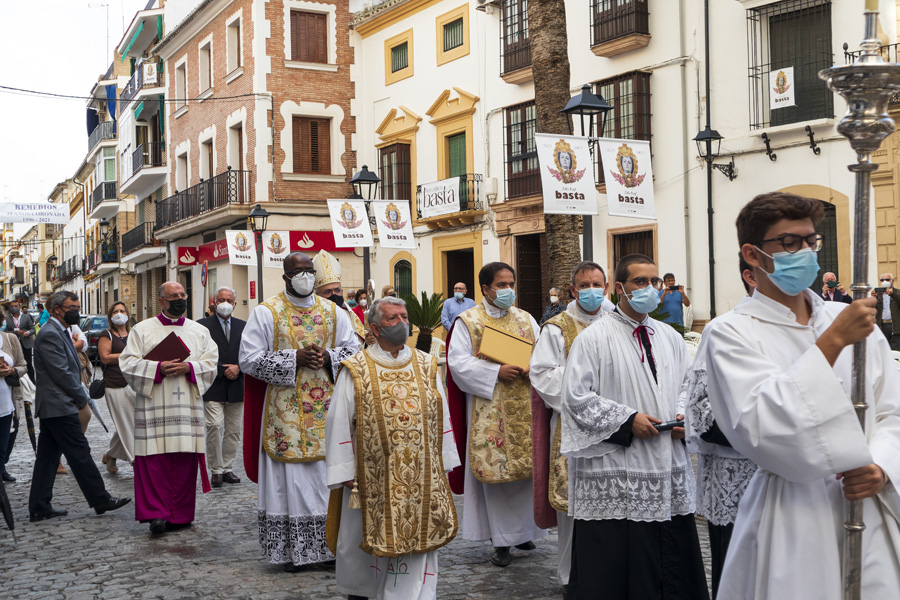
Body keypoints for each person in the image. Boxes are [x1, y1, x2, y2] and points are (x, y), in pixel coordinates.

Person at [703, 192, 900, 599]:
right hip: (794, 511)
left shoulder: (845, 319)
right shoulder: (730, 333)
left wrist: (880, 466)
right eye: (790, 243)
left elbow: (891, 409)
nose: (806, 252)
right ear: (753, 255)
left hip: (868, 499)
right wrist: (831, 344)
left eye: (811, 241)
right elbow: (762, 425)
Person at [560, 254, 708, 600]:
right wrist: (628, 420)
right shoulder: (594, 338)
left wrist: (685, 414)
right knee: (617, 568)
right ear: (621, 289)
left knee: (670, 561)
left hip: (667, 460)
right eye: (640, 282)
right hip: (618, 467)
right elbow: (575, 398)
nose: (650, 289)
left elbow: (689, 384)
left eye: (654, 282)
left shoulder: (670, 336)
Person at [325, 297, 459, 599]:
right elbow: (339, 420)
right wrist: (344, 468)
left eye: (403, 317)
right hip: (371, 477)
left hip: (422, 476)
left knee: (418, 542)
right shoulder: (356, 369)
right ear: (374, 327)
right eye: (392, 319)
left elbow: (442, 414)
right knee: (363, 546)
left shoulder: (425, 364)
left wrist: (444, 463)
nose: (402, 323)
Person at [240, 252, 360, 572]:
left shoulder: (334, 312)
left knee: (328, 481)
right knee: (290, 484)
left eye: (309, 271)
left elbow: (354, 351)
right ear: (285, 277)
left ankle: (332, 548)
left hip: (328, 411)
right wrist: (294, 358)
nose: (305, 276)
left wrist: (328, 357)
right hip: (286, 416)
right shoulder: (267, 313)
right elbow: (248, 359)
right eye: (298, 272)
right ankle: (295, 553)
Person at [446, 261, 545, 568]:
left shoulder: (526, 319)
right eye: (501, 285)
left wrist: (534, 367)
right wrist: (495, 371)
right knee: (496, 476)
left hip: (525, 407)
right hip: (489, 410)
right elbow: (457, 363)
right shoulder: (468, 321)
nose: (508, 290)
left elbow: (544, 353)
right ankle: (500, 541)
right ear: (485, 289)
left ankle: (523, 533)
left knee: (524, 477)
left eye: (511, 283)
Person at [530, 261, 608, 596]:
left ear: (606, 287)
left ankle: (607, 572)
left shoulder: (616, 322)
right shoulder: (557, 327)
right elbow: (543, 373)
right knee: (572, 506)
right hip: (571, 423)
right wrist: (584, 393)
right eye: (585, 285)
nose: (592, 290)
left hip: (611, 423)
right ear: (573, 291)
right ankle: (569, 576)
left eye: (598, 284)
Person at [683, 258, 758, 599]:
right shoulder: (724, 330)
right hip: (735, 474)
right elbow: (701, 412)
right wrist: (769, 438)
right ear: (751, 276)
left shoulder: (817, 326)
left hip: (798, 486)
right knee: (737, 574)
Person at [119, 282, 219, 535]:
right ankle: (156, 515)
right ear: (161, 301)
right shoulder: (142, 330)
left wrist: (190, 368)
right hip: (154, 406)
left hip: (187, 406)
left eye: (183, 295)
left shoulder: (198, 330)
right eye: (173, 296)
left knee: (184, 461)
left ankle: (180, 514)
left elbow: (211, 362)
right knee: (154, 461)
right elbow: (128, 364)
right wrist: (157, 368)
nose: (180, 299)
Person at [28, 290, 131, 522]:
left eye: (77, 307)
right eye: (71, 308)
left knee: (48, 457)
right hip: (59, 403)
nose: (76, 311)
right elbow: (61, 373)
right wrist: (82, 396)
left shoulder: (61, 331)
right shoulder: (50, 334)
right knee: (80, 452)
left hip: (57, 404)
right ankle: (100, 499)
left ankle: (39, 505)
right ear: (56, 309)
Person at [197, 287, 245, 488]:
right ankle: (215, 470)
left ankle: (227, 468)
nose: (225, 303)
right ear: (214, 302)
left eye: (229, 300)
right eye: (221, 299)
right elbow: (197, 355)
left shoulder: (244, 326)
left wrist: (239, 367)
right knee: (214, 426)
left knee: (233, 430)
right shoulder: (201, 326)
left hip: (236, 384)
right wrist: (219, 369)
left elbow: (251, 352)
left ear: (234, 304)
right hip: (213, 384)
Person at [97, 302, 136, 474]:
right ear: (110, 316)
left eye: (122, 311)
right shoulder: (106, 335)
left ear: (128, 314)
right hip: (114, 384)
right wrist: (128, 355)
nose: (119, 314)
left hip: (134, 383)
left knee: (133, 422)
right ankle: (137, 461)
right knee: (126, 423)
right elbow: (105, 358)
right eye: (115, 311)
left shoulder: (133, 334)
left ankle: (111, 454)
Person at [313, 250, 366, 343]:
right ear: (317, 294)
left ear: (342, 291)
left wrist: (368, 342)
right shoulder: (311, 316)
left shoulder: (349, 314)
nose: (334, 295)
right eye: (328, 291)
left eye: (337, 290)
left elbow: (359, 344)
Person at [0, 317, 27, 483]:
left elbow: (23, 365)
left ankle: (2, 469)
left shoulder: (10, 339)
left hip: (6, 405)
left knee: (3, 447)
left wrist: (11, 371)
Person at [7, 300, 35, 383]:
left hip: (25, 343)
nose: (14, 308)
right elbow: (5, 331)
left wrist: (28, 332)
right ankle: (17, 382)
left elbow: (32, 329)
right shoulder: (7, 319)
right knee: (15, 364)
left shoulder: (26, 317)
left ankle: (32, 382)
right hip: (13, 345)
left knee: (28, 364)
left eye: (15, 306)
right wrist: (15, 332)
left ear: (19, 307)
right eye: (12, 306)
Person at [872, 272, 900, 350]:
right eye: (882, 280)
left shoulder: (897, 292)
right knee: (883, 349)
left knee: (895, 350)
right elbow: (873, 308)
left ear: (892, 281)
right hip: (882, 325)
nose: (884, 282)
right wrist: (873, 298)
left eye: (887, 279)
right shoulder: (878, 294)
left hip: (895, 326)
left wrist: (892, 293)